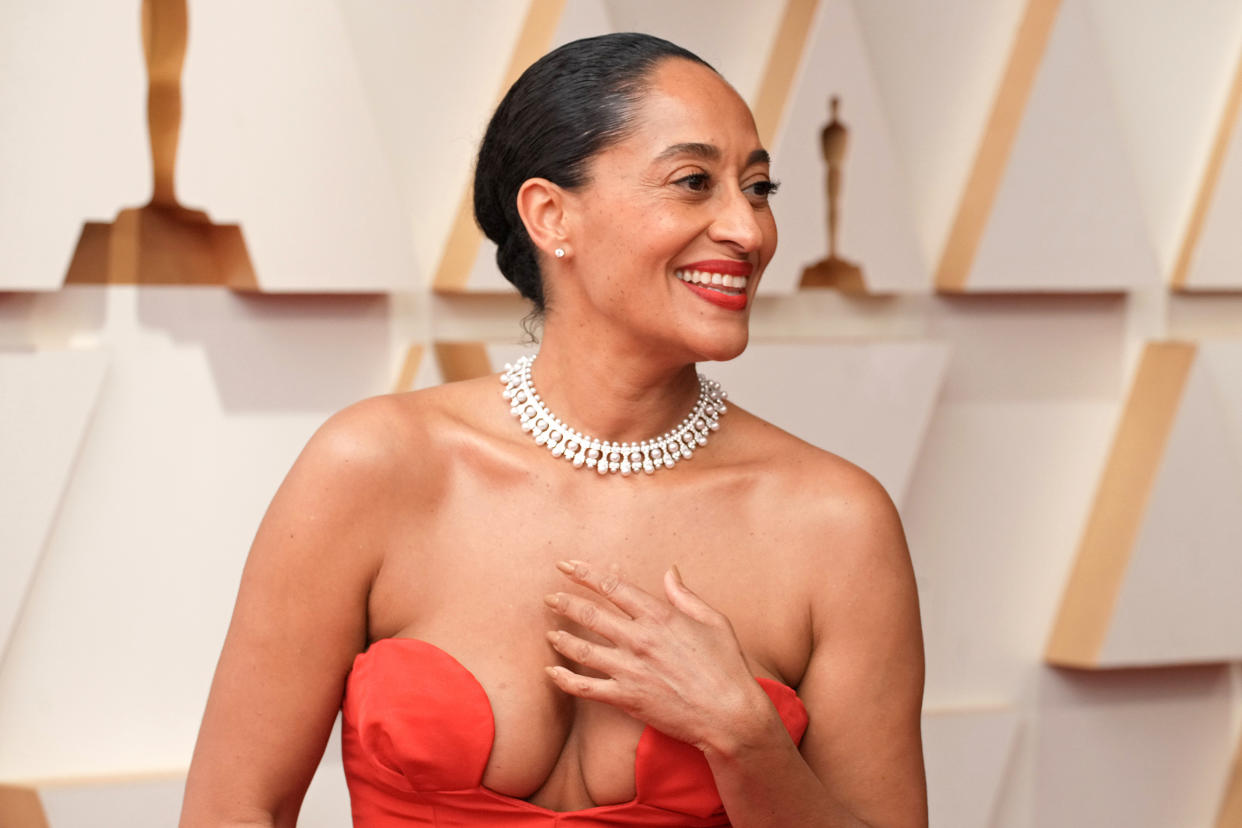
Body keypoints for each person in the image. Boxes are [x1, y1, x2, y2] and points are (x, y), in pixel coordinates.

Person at [180, 33, 927, 827]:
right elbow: (233, 810)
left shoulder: (836, 524)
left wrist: (743, 734)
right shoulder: (373, 468)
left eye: (759, 188)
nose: (749, 231)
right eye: (694, 182)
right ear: (549, 214)